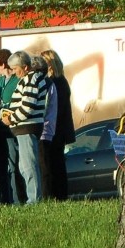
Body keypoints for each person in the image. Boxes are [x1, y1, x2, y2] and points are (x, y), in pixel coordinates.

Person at [2, 51, 47, 204]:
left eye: (15, 69)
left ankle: (34, 199)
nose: (13, 73)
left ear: (25, 67)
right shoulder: (28, 79)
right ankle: (33, 198)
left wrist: (11, 119)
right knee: (25, 165)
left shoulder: (31, 79)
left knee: (28, 166)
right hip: (23, 128)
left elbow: (27, 107)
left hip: (27, 128)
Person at [41, 49, 77, 200]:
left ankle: (54, 195)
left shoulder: (56, 83)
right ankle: (59, 195)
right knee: (57, 164)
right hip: (60, 130)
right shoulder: (62, 81)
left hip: (55, 130)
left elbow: (57, 109)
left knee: (52, 165)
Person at [0, 48, 23, 205]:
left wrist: (4, 105)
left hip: (11, 129)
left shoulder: (16, 81)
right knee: (2, 166)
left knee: (12, 164)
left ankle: (16, 200)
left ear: (2, 64)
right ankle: (3, 199)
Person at [32, 55, 58, 200]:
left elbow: (45, 107)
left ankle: (46, 197)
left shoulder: (44, 84)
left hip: (43, 130)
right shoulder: (48, 83)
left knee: (43, 167)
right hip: (45, 129)